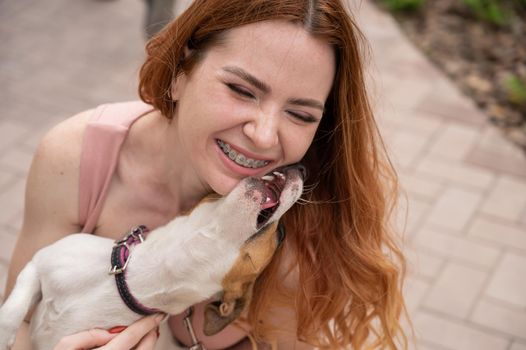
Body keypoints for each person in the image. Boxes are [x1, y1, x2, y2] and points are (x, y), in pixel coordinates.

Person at [5, 0, 408, 349]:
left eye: (300, 114)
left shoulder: (302, 224)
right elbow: (18, 325)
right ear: (181, 71)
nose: (264, 136)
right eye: (241, 90)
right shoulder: (77, 161)